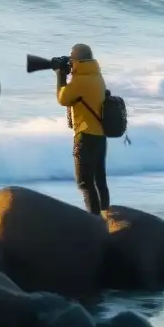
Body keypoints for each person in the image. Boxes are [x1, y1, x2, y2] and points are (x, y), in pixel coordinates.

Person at [55, 44, 110, 215]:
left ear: (78, 60)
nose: (70, 62)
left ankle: (94, 222)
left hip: (85, 136)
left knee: (84, 183)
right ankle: (106, 215)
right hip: (100, 136)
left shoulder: (80, 80)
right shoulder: (96, 75)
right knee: (99, 179)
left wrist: (60, 76)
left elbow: (63, 98)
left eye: (72, 59)